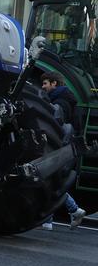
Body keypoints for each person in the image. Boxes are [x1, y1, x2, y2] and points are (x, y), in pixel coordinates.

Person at [40, 72, 88, 229]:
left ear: (54, 84)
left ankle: (48, 220)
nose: (43, 87)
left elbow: (54, 123)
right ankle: (73, 210)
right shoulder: (69, 99)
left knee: (46, 180)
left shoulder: (59, 102)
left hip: (56, 147)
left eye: (45, 83)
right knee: (53, 182)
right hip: (65, 148)